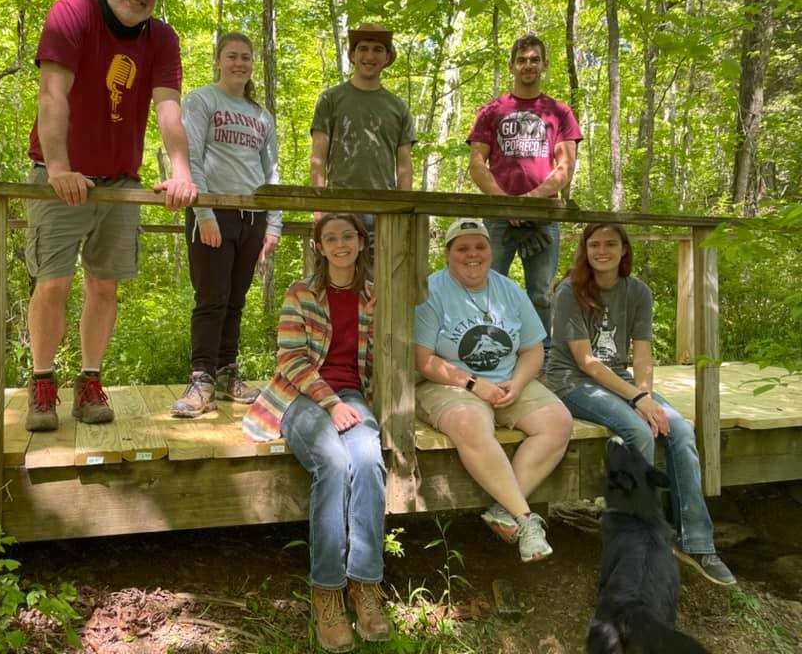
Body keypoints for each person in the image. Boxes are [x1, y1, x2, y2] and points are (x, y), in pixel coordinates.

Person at [24, 0, 197, 432]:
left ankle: (90, 381)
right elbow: (52, 91)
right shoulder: (74, 10)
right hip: (61, 174)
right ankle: (41, 382)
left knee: (104, 287)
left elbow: (168, 109)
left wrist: (180, 170)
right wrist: (59, 167)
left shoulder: (161, 38)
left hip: (120, 179)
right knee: (53, 282)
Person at [546, 223, 736, 586]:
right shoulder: (569, 291)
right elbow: (585, 361)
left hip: (621, 379)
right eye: (594, 244)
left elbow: (642, 352)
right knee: (637, 430)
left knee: (679, 429)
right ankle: (635, 539)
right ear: (585, 250)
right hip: (570, 382)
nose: (602, 250)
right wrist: (635, 400)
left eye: (610, 244)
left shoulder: (638, 291)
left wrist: (645, 395)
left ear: (624, 250)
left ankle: (697, 542)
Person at [242, 214, 391, 652]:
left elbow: (388, 351)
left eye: (348, 236)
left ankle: (364, 585)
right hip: (298, 397)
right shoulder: (300, 293)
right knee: (333, 459)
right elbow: (290, 360)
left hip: (352, 396)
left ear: (362, 242)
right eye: (331, 238)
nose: (340, 244)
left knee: (366, 457)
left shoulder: (375, 295)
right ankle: (326, 591)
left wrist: (355, 403)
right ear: (320, 247)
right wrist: (331, 403)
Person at [414, 218, 573, 563]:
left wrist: (516, 383)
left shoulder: (508, 289)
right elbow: (423, 361)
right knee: (470, 424)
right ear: (448, 254)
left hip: (507, 380)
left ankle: (504, 509)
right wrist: (474, 384)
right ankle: (526, 520)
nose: (473, 254)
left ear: (491, 249)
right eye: (463, 247)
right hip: (449, 384)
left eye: (480, 246)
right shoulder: (431, 292)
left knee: (558, 422)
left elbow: (532, 350)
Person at [169, 33, 282, 416]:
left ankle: (226, 372)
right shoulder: (201, 100)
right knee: (211, 299)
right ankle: (200, 378)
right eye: (231, 56)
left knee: (236, 300)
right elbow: (191, 157)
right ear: (218, 60)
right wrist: (204, 213)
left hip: (254, 217)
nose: (239, 63)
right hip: (213, 212)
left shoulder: (261, 114)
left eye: (245, 57)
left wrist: (274, 224)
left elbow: (272, 171)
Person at [466, 33, 582, 352]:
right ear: (512, 66)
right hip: (499, 218)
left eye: (534, 59)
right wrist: (505, 204)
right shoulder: (492, 110)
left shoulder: (559, 112)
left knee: (541, 294)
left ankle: (542, 358)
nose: (528, 65)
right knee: (486, 288)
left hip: (543, 217)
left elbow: (565, 166)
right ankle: (486, 351)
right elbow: (477, 163)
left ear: (544, 64)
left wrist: (530, 202)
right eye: (521, 60)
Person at [309, 22, 416, 244]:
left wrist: (402, 212)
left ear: (387, 57)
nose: (370, 56)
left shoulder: (398, 107)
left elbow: (404, 167)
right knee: (337, 277)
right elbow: (318, 158)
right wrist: (319, 210)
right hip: (339, 206)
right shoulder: (331, 99)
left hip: (383, 210)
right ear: (352, 54)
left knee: (381, 277)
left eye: (378, 49)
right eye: (363, 48)